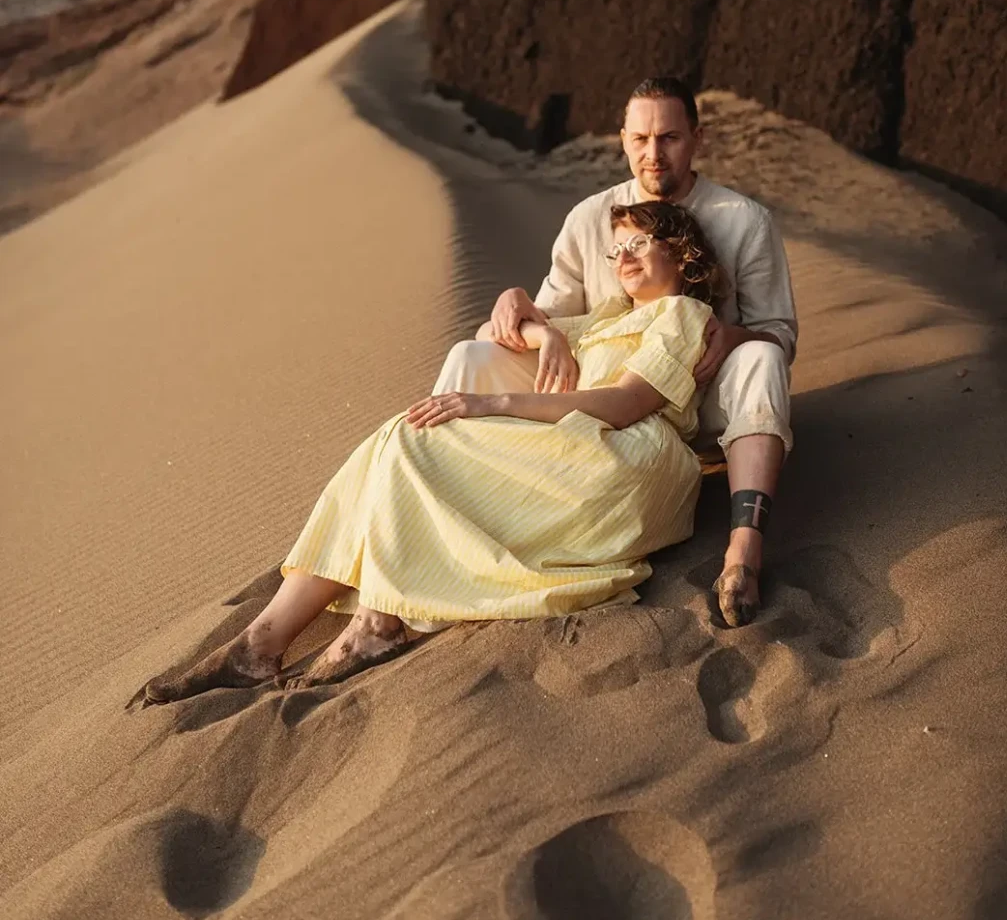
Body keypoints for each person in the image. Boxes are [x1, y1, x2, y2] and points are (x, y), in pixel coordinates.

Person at [143, 202, 723, 704]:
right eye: (615, 247)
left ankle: (372, 622)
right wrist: (547, 335)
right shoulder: (609, 317)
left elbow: (625, 404)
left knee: (412, 438)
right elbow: (494, 330)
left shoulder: (684, 314)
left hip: (627, 460)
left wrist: (489, 404)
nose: (623, 257)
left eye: (639, 244)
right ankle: (263, 641)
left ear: (683, 253)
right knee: (398, 437)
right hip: (577, 444)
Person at [435, 76, 796, 627]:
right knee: (470, 356)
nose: (654, 155)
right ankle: (441, 511)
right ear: (621, 140)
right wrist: (527, 311)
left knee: (764, 358)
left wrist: (736, 336)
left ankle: (743, 549)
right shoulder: (589, 219)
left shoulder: (744, 220)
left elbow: (780, 332)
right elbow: (550, 313)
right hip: (606, 395)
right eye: (641, 139)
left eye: (670, 138)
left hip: (704, 395)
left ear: (697, 138)